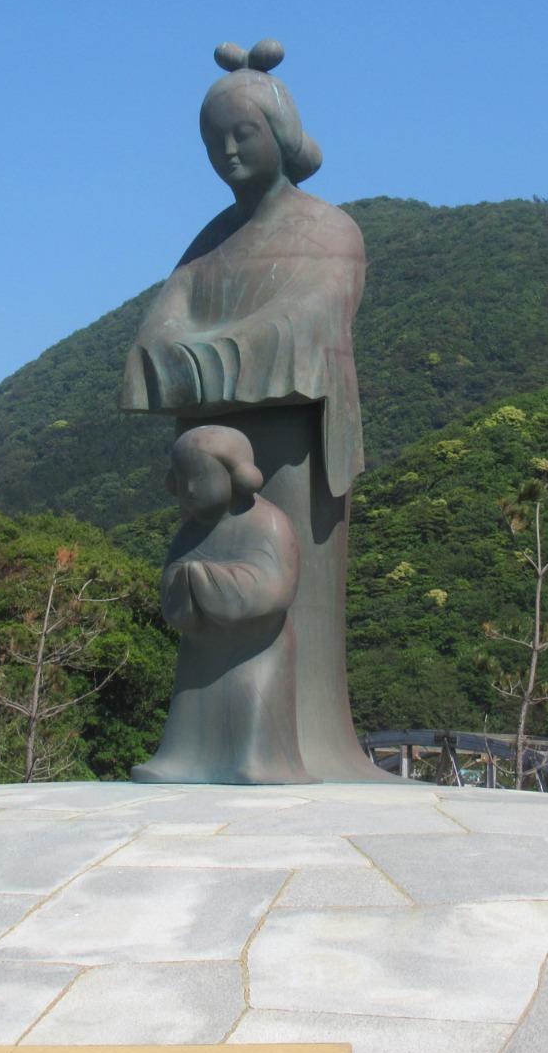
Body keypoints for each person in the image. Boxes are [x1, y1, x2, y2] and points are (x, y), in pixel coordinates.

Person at [122, 41, 390, 782]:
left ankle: (296, 746)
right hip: (207, 453)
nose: (229, 151)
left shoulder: (332, 230)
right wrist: (209, 355)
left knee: (280, 598)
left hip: (293, 452)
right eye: (215, 140)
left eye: (244, 133)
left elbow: (307, 331)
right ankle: (203, 749)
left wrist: (201, 357)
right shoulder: (210, 240)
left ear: (280, 135)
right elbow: (154, 338)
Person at [132, 425, 314, 785]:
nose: (188, 489)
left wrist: (203, 579)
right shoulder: (189, 531)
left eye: (197, 477)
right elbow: (170, 585)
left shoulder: (269, 523)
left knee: (252, 704)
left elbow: (275, 588)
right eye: (180, 479)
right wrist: (187, 585)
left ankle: (257, 762)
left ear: (237, 476)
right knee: (189, 709)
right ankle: (181, 759)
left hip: (257, 648)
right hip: (202, 645)